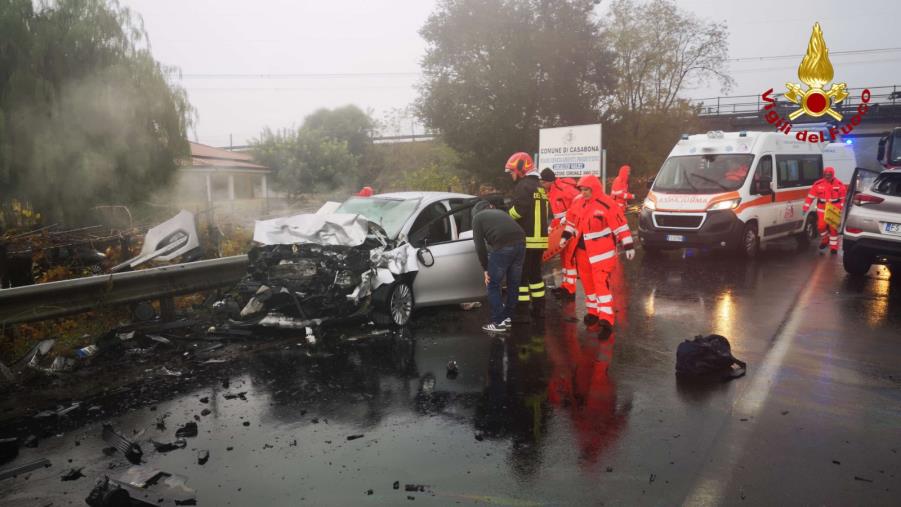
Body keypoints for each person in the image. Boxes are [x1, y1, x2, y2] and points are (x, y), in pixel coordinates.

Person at [560, 174, 635, 339]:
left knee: (601, 285)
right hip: (582, 252)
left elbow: (620, 225)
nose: (584, 192)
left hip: (602, 253)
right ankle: (593, 312)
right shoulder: (578, 202)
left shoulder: (607, 204)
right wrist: (565, 236)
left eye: (587, 189)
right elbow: (572, 221)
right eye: (582, 189)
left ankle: (607, 319)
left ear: (595, 188)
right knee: (588, 285)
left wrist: (628, 244)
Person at [505, 152, 550, 320]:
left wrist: (505, 214)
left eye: (512, 171)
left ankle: (521, 311)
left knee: (521, 275)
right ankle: (539, 308)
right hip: (540, 240)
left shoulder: (523, 186)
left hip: (527, 239)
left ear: (520, 168)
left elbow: (518, 211)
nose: (511, 175)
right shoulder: (540, 187)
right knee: (535, 275)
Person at [471, 198, 526, 333]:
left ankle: (498, 322)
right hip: (521, 242)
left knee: (493, 284)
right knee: (513, 283)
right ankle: (506, 318)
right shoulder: (500, 212)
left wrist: (485, 269)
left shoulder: (477, 218)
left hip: (503, 245)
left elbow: (480, 247)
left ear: (476, 212)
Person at [540, 168, 580, 298]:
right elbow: (557, 214)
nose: (542, 185)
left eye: (543, 182)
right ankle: (566, 286)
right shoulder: (551, 191)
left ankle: (570, 289)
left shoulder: (564, 189)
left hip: (570, 227)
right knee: (564, 259)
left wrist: (568, 216)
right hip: (561, 226)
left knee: (569, 259)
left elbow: (579, 201)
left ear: (549, 181)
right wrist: (552, 227)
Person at [803, 166, 847, 254]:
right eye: (826, 174)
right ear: (824, 174)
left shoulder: (839, 184)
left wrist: (841, 208)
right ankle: (825, 239)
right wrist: (805, 207)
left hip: (834, 208)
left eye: (829, 174)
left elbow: (843, 198)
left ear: (832, 174)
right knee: (820, 226)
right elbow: (810, 197)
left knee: (833, 228)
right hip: (822, 208)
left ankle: (833, 247)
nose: (827, 176)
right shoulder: (818, 184)